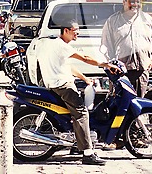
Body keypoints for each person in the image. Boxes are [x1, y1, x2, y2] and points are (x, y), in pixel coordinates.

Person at [37, 19, 119, 165]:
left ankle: (77, 143)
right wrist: (105, 64)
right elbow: (85, 59)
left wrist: (85, 79)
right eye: (76, 32)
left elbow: (68, 67)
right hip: (63, 86)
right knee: (82, 113)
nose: (78, 35)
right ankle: (88, 153)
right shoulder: (62, 46)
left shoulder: (54, 44)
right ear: (66, 31)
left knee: (76, 111)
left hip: (56, 83)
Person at [101, 0, 152, 98]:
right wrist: (111, 65)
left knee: (138, 105)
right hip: (120, 73)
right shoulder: (113, 21)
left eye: (138, 2)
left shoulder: (147, 20)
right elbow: (106, 45)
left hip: (141, 71)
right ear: (124, 2)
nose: (135, 4)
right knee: (119, 106)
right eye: (132, 1)